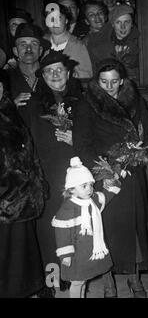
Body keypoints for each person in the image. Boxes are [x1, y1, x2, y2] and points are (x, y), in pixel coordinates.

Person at [76, 58, 148, 298]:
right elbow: (82, 144)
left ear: (121, 81)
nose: (109, 87)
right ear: (96, 81)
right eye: (103, 82)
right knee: (105, 230)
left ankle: (134, 279)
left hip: (131, 172)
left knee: (132, 227)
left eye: (114, 82)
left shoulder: (135, 100)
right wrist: (105, 169)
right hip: (103, 174)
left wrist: (137, 153)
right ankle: (108, 282)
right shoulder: (86, 104)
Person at [18, 51, 88, 298]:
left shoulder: (85, 100)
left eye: (60, 70)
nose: (55, 74)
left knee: (78, 227)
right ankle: (52, 280)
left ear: (68, 73)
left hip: (78, 178)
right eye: (49, 71)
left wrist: (76, 138)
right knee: (49, 230)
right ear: (43, 76)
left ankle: (77, 277)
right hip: (47, 177)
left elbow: (98, 137)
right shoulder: (31, 104)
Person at [0, 70, 47, 297]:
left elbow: (29, 152)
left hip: (21, 200)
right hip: (4, 203)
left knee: (19, 261)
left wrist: (37, 182)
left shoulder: (10, 114)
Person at [52, 157, 120, 298]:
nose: (89, 189)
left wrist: (114, 181)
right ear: (71, 189)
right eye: (84, 186)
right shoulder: (68, 208)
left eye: (91, 185)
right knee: (77, 282)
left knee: (83, 281)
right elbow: (62, 233)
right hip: (76, 254)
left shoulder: (92, 200)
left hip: (88, 251)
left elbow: (107, 196)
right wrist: (66, 255)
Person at [87, 4, 140, 85]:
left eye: (127, 22)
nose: (123, 27)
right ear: (112, 24)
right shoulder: (97, 44)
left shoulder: (141, 42)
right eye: (118, 22)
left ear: (132, 24)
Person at [45, 3, 93, 80]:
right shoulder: (41, 42)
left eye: (59, 18)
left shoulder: (78, 45)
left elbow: (88, 74)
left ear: (66, 20)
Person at [6, 23, 50, 106]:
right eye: (23, 44)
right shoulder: (6, 78)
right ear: (15, 51)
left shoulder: (53, 75)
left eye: (34, 44)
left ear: (40, 51)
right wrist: (11, 106)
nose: (29, 49)